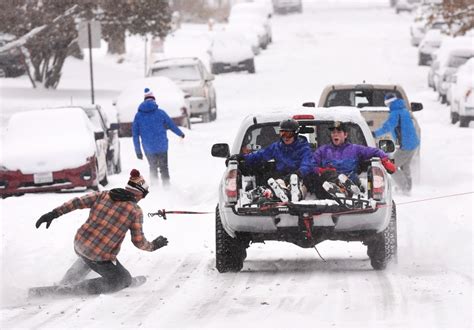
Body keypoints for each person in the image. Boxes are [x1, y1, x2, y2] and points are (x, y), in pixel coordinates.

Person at [34, 169, 168, 295]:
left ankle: (66, 282)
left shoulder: (104, 194)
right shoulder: (135, 211)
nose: (142, 198)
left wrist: (54, 213)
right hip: (99, 254)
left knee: (91, 255)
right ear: (138, 193)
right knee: (122, 279)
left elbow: (77, 202)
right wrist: (153, 246)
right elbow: (138, 241)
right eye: (144, 194)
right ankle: (71, 290)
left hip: (80, 245)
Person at [230, 118, 316, 202]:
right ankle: (281, 191)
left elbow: (307, 163)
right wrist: (243, 157)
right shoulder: (277, 147)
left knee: (301, 184)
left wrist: (299, 173)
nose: (286, 137)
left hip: (299, 176)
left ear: (295, 134)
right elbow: (261, 154)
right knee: (278, 180)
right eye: (282, 133)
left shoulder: (303, 147)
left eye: (289, 134)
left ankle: (296, 193)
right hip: (282, 175)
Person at [313, 121, 396, 198]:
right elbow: (312, 165)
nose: (335, 134)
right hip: (328, 185)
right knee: (326, 175)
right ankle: (338, 190)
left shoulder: (355, 149)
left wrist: (385, 160)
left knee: (352, 179)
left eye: (338, 132)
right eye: (333, 132)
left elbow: (375, 151)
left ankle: (345, 189)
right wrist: (321, 170)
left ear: (345, 135)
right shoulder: (322, 151)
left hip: (350, 181)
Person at [132, 88, 185, 186]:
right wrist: (180, 133)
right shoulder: (160, 113)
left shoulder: (138, 116)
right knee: (164, 167)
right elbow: (171, 125)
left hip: (148, 147)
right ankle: (167, 188)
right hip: (162, 145)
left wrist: (138, 151)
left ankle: (156, 190)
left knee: (152, 167)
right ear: (154, 100)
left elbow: (135, 135)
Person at [373, 93, 420, 193]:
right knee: (405, 166)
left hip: (406, 146)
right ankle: (407, 187)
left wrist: (375, 133)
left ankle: (404, 188)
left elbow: (388, 126)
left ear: (389, 103)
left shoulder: (395, 113)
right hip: (413, 144)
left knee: (391, 166)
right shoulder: (404, 110)